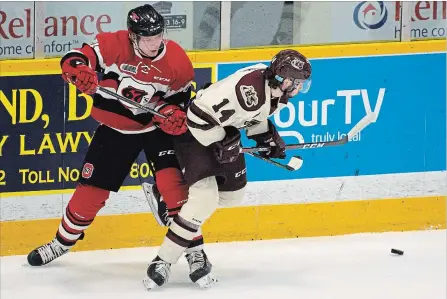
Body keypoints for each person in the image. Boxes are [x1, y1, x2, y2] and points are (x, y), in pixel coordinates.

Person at [27, 4, 211, 282]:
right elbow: (76, 57)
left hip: (155, 129)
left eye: (158, 36)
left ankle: (195, 251)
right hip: (114, 129)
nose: (154, 43)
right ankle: (62, 242)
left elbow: (180, 102)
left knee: (175, 189)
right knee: (88, 196)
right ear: (133, 36)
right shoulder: (113, 44)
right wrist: (78, 69)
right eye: (147, 38)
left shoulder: (177, 60)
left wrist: (173, 113)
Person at [142, 49, 312, 290]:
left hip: (222, 133)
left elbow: (251, 116)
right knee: (205, 199)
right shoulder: (251, 92)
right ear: (283, 79)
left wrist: (266, 136)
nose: (299, 89)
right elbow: (197, 114)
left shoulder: (271, 90)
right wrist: (221, 140)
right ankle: (162, 262)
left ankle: (173, 204)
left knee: (233, 196)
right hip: (195, 134)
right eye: (296, 83)